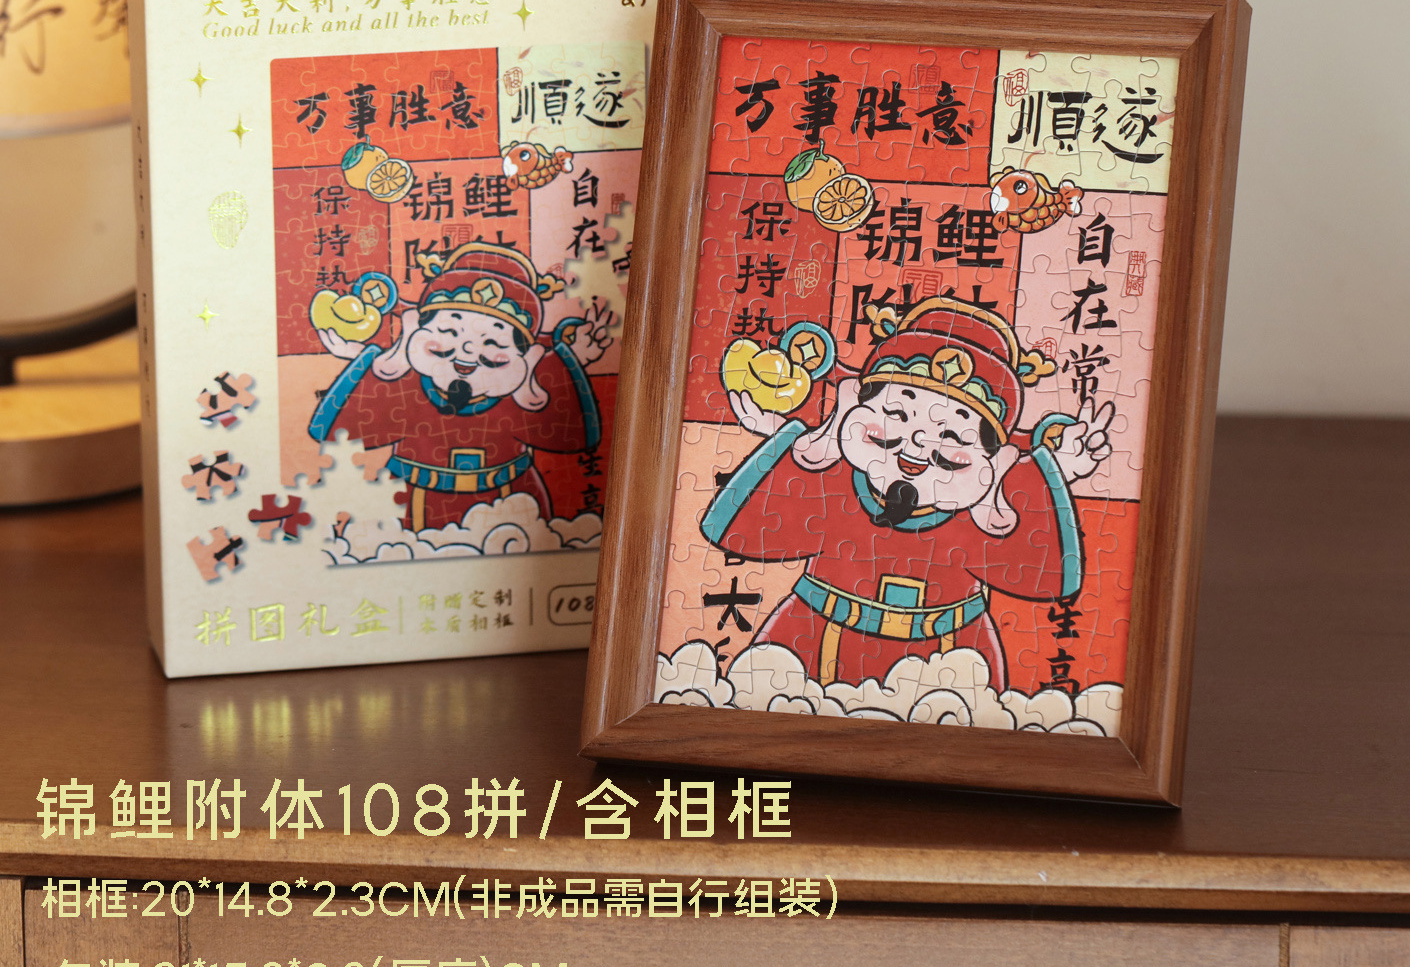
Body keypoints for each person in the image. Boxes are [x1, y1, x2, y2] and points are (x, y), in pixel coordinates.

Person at [703, 297, 1112, 687]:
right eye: (897, 414)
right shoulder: (833, 483)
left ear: (993, 460)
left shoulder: (981, 514)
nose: (916, 444)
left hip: (954, 656)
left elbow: (1041, 576)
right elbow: (751, 532)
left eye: (952, 436)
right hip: (814, 639)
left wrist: (1055, 472)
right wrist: (790, 442)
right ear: (854, 407)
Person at [310, 242, 613, 533]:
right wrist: (365, 360)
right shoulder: (406, 387)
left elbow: (569, 436)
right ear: (418, 330)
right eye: (449, 331)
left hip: (513, 500)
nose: (467, 351)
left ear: (524, 355)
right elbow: (346, 431)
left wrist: (572, 360)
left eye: (492, 342)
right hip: (413, 501)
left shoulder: (522, 392)